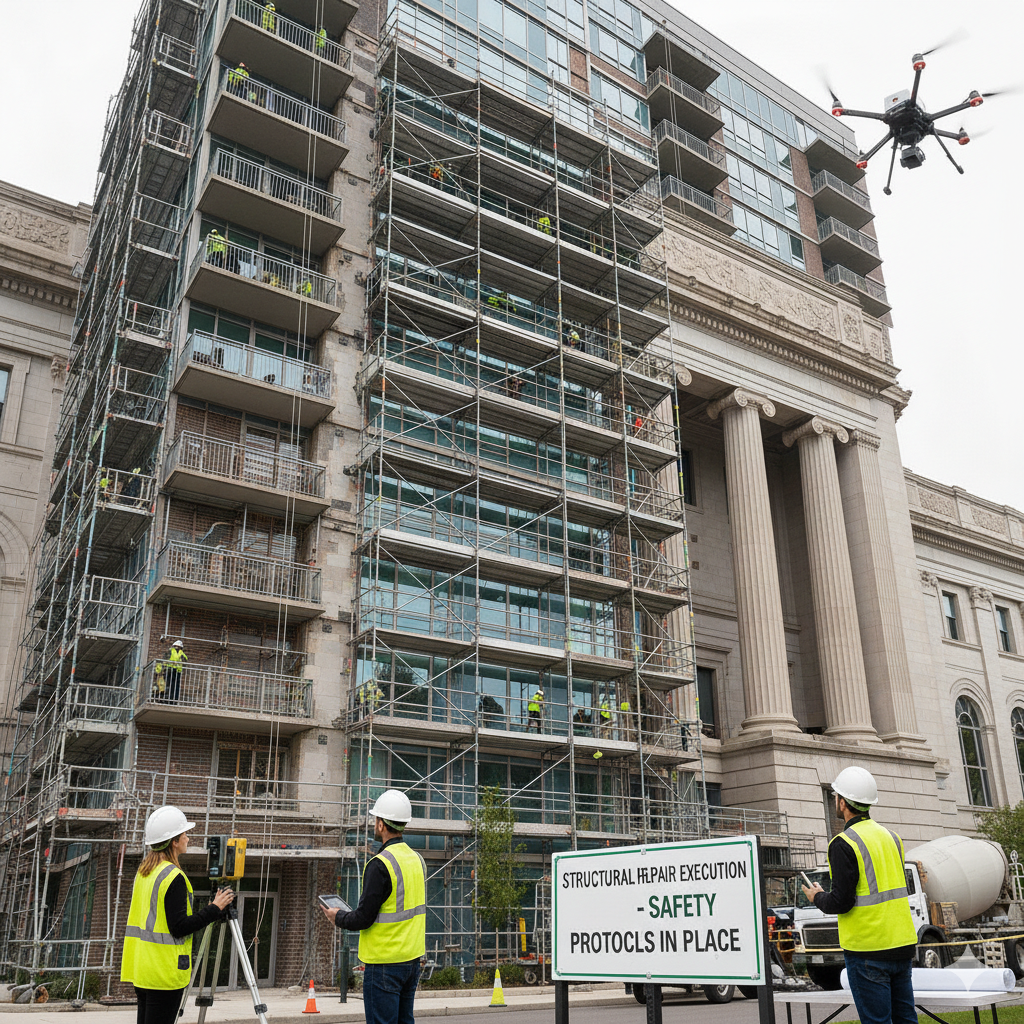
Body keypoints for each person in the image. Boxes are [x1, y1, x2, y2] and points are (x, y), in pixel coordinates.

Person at [801, 767, 918, 1024]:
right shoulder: (892, 837)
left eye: (835, 797)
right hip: (902, 945)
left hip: (868, 950)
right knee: (906, 1021)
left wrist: (817, 897)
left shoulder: (843, 842)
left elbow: (841, 902)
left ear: (842, 802)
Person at [121, 805, 235, 1024]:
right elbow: (179, 926)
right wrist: (214, 908)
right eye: (184, 834)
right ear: (174, 841)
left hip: (143, 969)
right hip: (164, 973)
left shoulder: (144, 873)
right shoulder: (173, 876)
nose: (188, 838)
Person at [323, 790, 425, 1024]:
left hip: (384, 964)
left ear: (380, 824)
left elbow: (363, 918)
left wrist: (337, 916)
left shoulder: (380, 864)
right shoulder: (417, 860)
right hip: (411, 962)